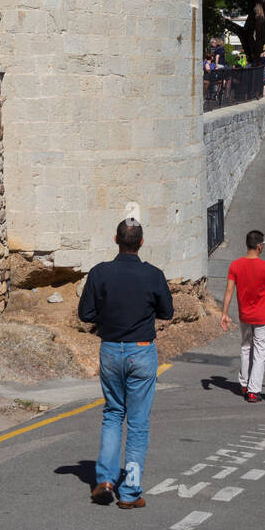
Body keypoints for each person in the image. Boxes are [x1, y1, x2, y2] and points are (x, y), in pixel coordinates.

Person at [77, 214, 173, 508]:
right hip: (142, 350)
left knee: (113, 414)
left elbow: (85, 314)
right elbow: (167, 312)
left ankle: (104, 480)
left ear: (116, 240)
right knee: (138, 423)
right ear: (141, 243)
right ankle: (130, 491)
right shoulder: (154, 275)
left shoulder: (100, 273)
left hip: (110, 350)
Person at [220, 230, 265, 402]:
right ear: (259, 246)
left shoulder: (235, 265)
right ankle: (253, 390)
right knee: (260, 352)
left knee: (245, 347)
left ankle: (244, 383)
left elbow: (229, 290)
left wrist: (224, 313)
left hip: (244, 314)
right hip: (262, 317)